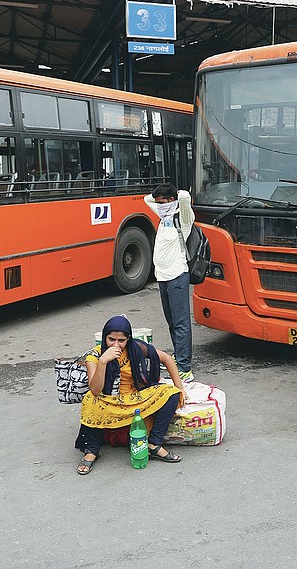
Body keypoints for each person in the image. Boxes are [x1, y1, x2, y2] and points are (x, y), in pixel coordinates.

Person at [74, 316, 186, 475]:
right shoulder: (95, 355)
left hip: (134, 401)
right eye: (111, 339)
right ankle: (92, 450)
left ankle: (153, 444)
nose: (115, 345)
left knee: (171, 393)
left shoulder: (135, 348)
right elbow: (95, 390)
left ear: (128, 339)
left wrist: (180, 387)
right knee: (90, 400)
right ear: (105, 337)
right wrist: (103, 362)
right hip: (109, 401)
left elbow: (167, 358)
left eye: (121, 340)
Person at [144, 184, 195, 383]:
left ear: (172, 201)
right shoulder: (164, 216)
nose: (159, 206)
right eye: (158, 204)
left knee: (181, 322)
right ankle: (178, 355)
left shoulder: (183, 218)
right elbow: (146, 200)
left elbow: (185, 196)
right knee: (171, 322)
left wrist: (175, 195)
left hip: (177, 275)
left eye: (163, 203)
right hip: (163, 276)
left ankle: (184, 368)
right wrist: (160, 198)